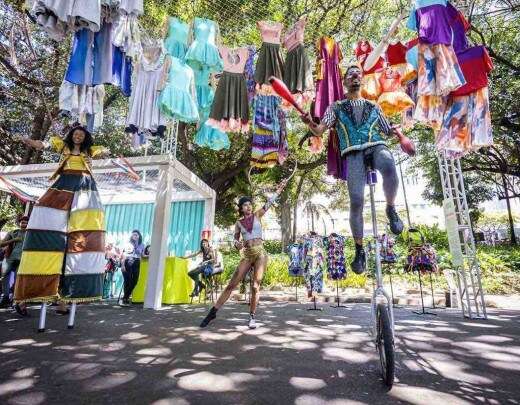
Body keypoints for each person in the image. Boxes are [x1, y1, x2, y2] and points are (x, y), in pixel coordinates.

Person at [302, 64, 404, 274]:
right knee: (356, 200)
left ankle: (391, 208)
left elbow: (386, 131)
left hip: (375, 145)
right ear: (345, 82)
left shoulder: (374, 106)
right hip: (353, 152)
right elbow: (320, 130)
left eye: (359, 74)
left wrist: (399, 133)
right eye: (351, 74)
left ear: (362, 80)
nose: (355, 76)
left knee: (388, 164)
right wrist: (310, 123)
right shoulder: (335, 107)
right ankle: (359, 250)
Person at [14, 125, 108, 311]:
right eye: (75, 134)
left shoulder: (90, 151)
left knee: (81, 232)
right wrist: (26, 140)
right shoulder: (62, 147)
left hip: (83, 187)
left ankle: (66, 300)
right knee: (43, 207)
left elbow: (104, 152)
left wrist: (105, 152)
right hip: (63, 184)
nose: (78, 136)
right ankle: (42, 295)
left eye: (81, 134)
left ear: (85, 138)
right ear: (71, 136)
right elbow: (42, 145)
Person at [200, 181, 287, 329]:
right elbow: (235, 239)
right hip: (247, 254)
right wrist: (237, 244)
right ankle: (213, 312)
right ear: (241, 208)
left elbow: (269, 203)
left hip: (260, 252)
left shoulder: (258, 215)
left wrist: (278, 190)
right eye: (245, 205)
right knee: (231, 284)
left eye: (249, 204)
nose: (248, 206)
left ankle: (252, 317)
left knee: (255, 286)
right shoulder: (238, 223)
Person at [0, 215, 28, 315]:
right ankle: (5, 297)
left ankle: (15, 300)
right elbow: (2, 244)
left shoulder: (30, 234)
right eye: (22, 222)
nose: (23, 224)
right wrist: (13, 240)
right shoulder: (13, 232)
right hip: (9, 258)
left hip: (23, 260)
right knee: (4, 277)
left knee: (18, 281)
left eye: (25, 222)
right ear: (19, 223)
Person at [120, 230, 145, 306]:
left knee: (135, 280)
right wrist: (123, 265)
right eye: (133, 235)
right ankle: (125, 299)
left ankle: (125, 297)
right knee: (127, 281)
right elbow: (123, 255)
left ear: (139, 236)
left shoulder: (142, 245)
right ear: (131, 236)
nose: (135, 236)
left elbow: (142, 255)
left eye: (136, 235)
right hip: (128, 261)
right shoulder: (128, 244)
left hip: (137, 262)